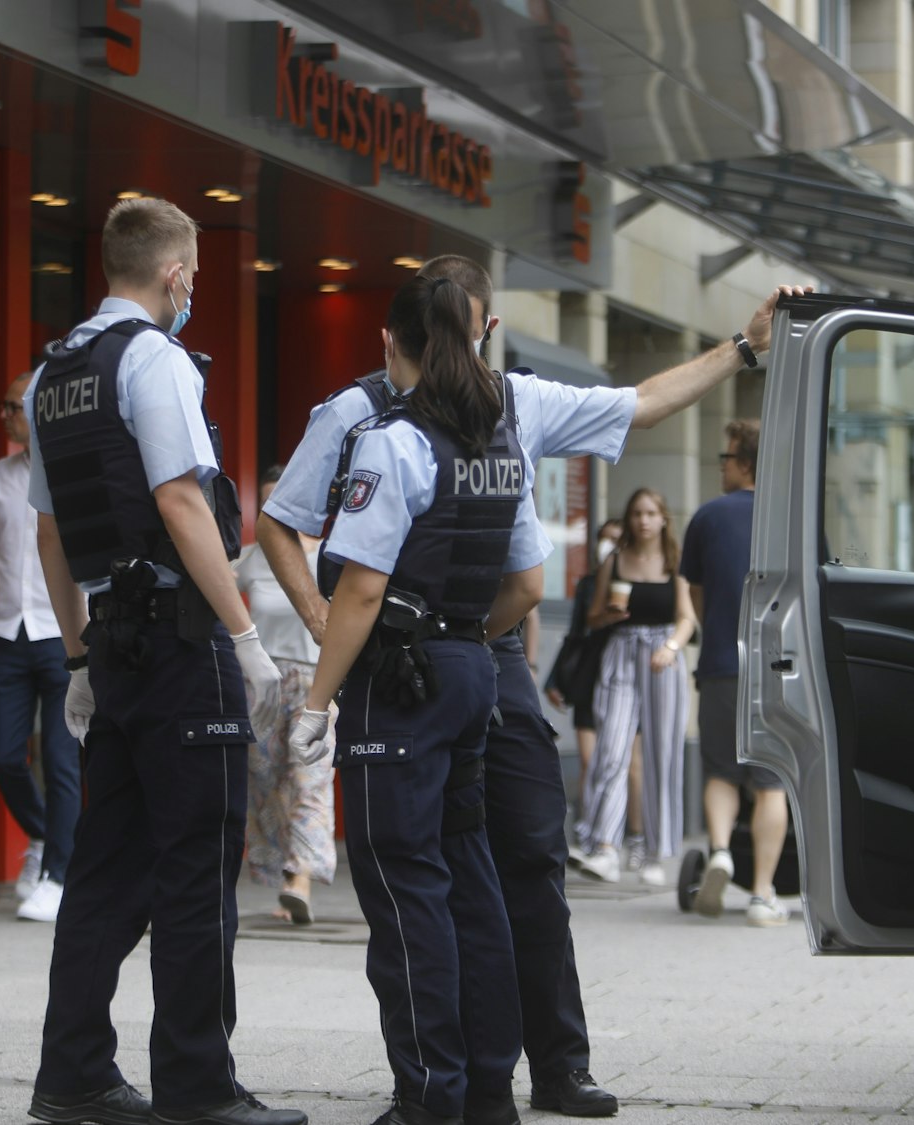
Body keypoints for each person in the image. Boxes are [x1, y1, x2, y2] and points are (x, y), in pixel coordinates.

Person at [260, 254, 812, 1115]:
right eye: (470, 325)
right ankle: (480, 1085)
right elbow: (286, 524)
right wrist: (332, 626)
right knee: (458, 873)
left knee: (510, 862)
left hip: (470, 662)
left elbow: (642, 405)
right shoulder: (358, 414)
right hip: (446, 661)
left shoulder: (502, 406)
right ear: (457, 327)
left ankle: (532, 1068)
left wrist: (742, 348)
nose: (478, 343)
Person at [21, 197, 304, 1125]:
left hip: (113, 641)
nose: (194, 290)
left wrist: (75, 658)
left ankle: (73, 1073)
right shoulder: (154, 359)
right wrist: (246, 638)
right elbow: (183, 501)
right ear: (175, 273)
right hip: (183, 644)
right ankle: (197, 1084)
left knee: (105, 867)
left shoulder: (49, 376)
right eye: (195, 276)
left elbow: (53, 534)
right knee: (196, 864)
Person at [287, 275, 534, 1125]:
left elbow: (359, 590)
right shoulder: (503, 437)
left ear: (396, 343)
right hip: (472, 667)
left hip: (401, 683)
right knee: (470, 878)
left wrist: (317, 701)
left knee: (402, 889)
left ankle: (429, 1093)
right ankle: (489, 1089)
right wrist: (460, 634)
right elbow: (528, 583)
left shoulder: (396, 440)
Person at [0, 372, 82, 923]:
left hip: (61, 634)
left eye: (12, 406)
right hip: (7, 634)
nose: (4, 415)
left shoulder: (71, 475)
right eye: (2, 405)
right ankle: (40, 834)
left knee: (62, 760)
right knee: (3, 754)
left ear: (37, 413)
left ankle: (59, 876)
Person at [680, 419, 787, 926]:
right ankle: (763, 894)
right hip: (775, 669)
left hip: (721, 664)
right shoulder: (790, 520)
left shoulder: (706, 518)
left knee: (721, 770)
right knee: (771, 781)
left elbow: (696, 597)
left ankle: (720, 851)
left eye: (725, 458)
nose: (720, 466)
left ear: (744, 462)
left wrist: (721, 632)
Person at [575, 489, 694, 884]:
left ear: (663, 519)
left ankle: (657, 855)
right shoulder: (614, 560)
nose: (643, 520)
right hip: (621, 651)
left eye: (650, 513)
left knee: (662, 753)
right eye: (636, 513)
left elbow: (687, 619)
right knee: (611, 748)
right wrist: (609, 615)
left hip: (663, 657)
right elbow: (592, 619)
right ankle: (605, 847)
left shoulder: (676, 562)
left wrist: (672, 647)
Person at [235, 465, 335, 925]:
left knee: (310, 778)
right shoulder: (250, 559)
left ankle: (301, 880)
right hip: (261, 683)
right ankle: (283, 874)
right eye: (268, 501)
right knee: (265, 778)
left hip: (317, 679)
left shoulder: (330, 557)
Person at [545, 519, 623, 819]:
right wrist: (554, 679)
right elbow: (575, 633)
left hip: (621, 675)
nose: (608, 545)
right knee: (590, 761)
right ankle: (590, 823)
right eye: (604, 539)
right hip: (588, 677)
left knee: (621, 762)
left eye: (615, 539)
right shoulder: (588, 585)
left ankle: (621, 828)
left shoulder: (634, 583)